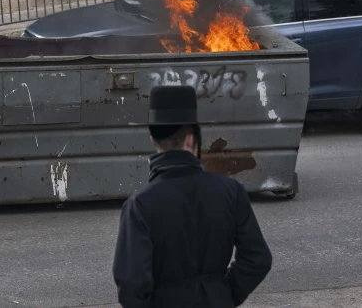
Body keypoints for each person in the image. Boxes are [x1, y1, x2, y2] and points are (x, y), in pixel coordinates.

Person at [112, 86, 272, 307]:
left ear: (152, 139)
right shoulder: (230, 191)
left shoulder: (139, 205)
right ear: (190, 139)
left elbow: (132, 285)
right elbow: (257, 259)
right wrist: (223, 295)